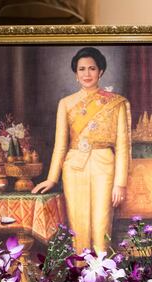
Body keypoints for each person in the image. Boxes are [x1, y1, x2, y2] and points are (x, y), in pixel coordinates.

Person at [31, 47, 131, 255]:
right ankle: (80, 279)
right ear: (76, 74)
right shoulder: (66, 103)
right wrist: (51, 179)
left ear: (100, 71)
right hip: (74, 166)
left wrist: (120, 183)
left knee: (101, 223)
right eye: (82, 69)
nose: (87, 74)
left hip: (104, 164)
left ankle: (103, 278)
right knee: (79, 226)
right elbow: (60, 145)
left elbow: (123, 145)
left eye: (92, 68)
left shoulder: (116, 103)